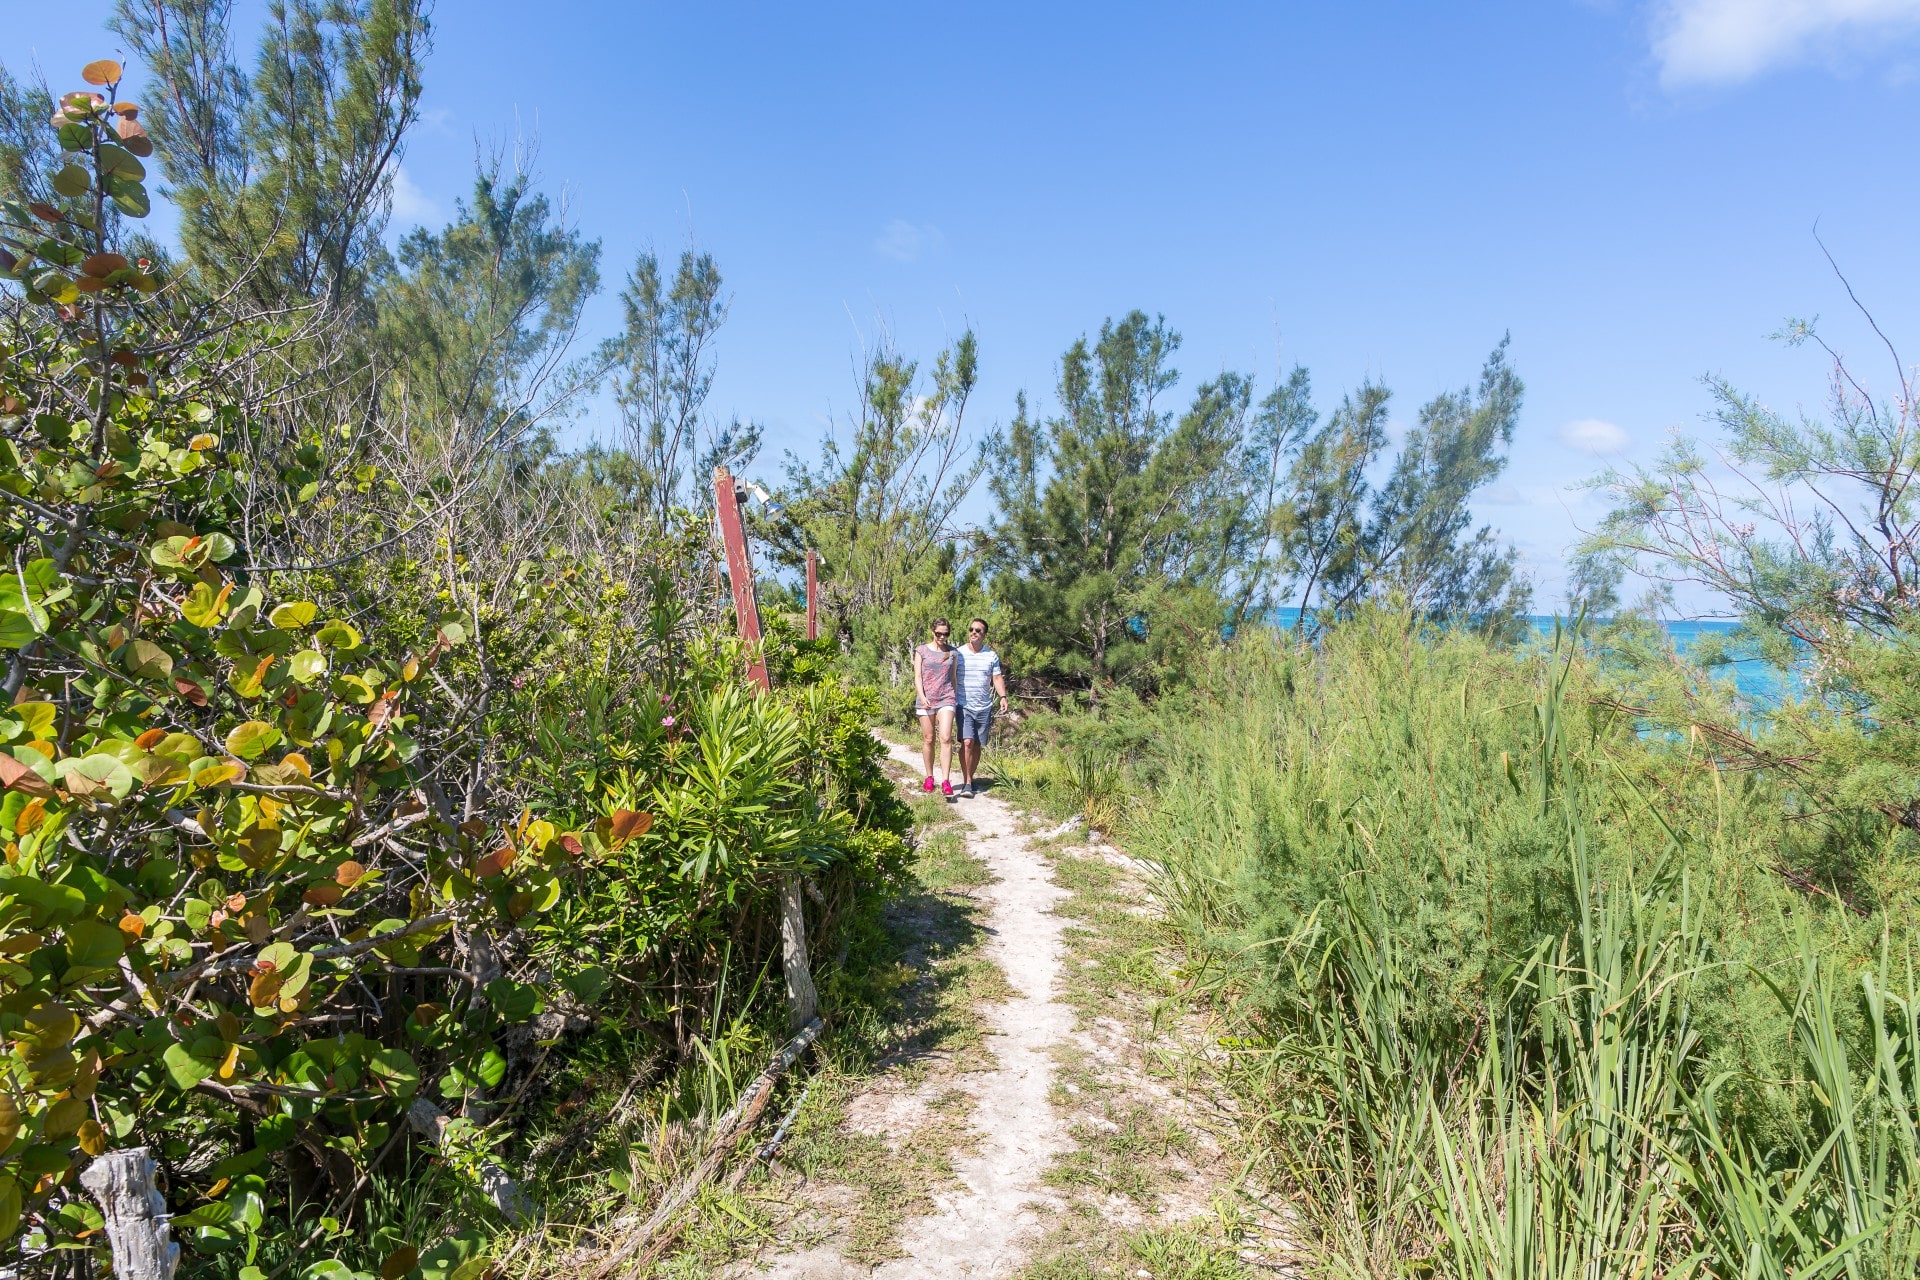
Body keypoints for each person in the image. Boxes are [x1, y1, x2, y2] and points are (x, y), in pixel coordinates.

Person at [954, 617, 1009, 797]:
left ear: (984, 634)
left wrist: (1003, 696)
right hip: (964, 706)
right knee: (967, 742)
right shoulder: (959, 653)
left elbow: (997, 678)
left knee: (977, 745)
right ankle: (967, 782)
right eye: (971, 629)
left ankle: (971, 777)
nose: (973, 633)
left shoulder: (991, 655)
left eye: (978, 630)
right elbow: (948, 675)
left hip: (984, 707)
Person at [913, 618, 959, 796]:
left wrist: (954, 698)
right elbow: (918, 676)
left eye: (945, 634)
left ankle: (946, 780)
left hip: (946, 698)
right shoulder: (922, 650)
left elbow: (953, 677)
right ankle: (929, 776)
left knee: (946, 738)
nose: (941, 637)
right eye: (938, 633)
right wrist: (923, 697)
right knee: (929, 739)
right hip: (926, 699)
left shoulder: (952, 653)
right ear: (933, 632)